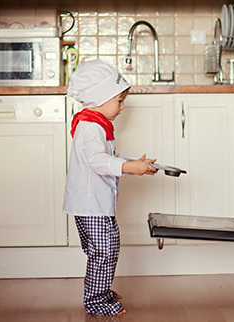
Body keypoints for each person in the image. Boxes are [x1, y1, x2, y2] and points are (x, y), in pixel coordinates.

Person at [63, 59, 157, 317]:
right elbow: (97, 161)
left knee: (105, 249)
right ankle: (96, 301)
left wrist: (133, 163)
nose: (123, 107)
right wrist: (128, 168)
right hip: (92, 205)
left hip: (92, 204)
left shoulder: (94, 124)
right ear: (99, 98)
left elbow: (106, 156)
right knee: (104, 252)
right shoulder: (92, 127)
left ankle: (100, 291)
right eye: (119, 100)